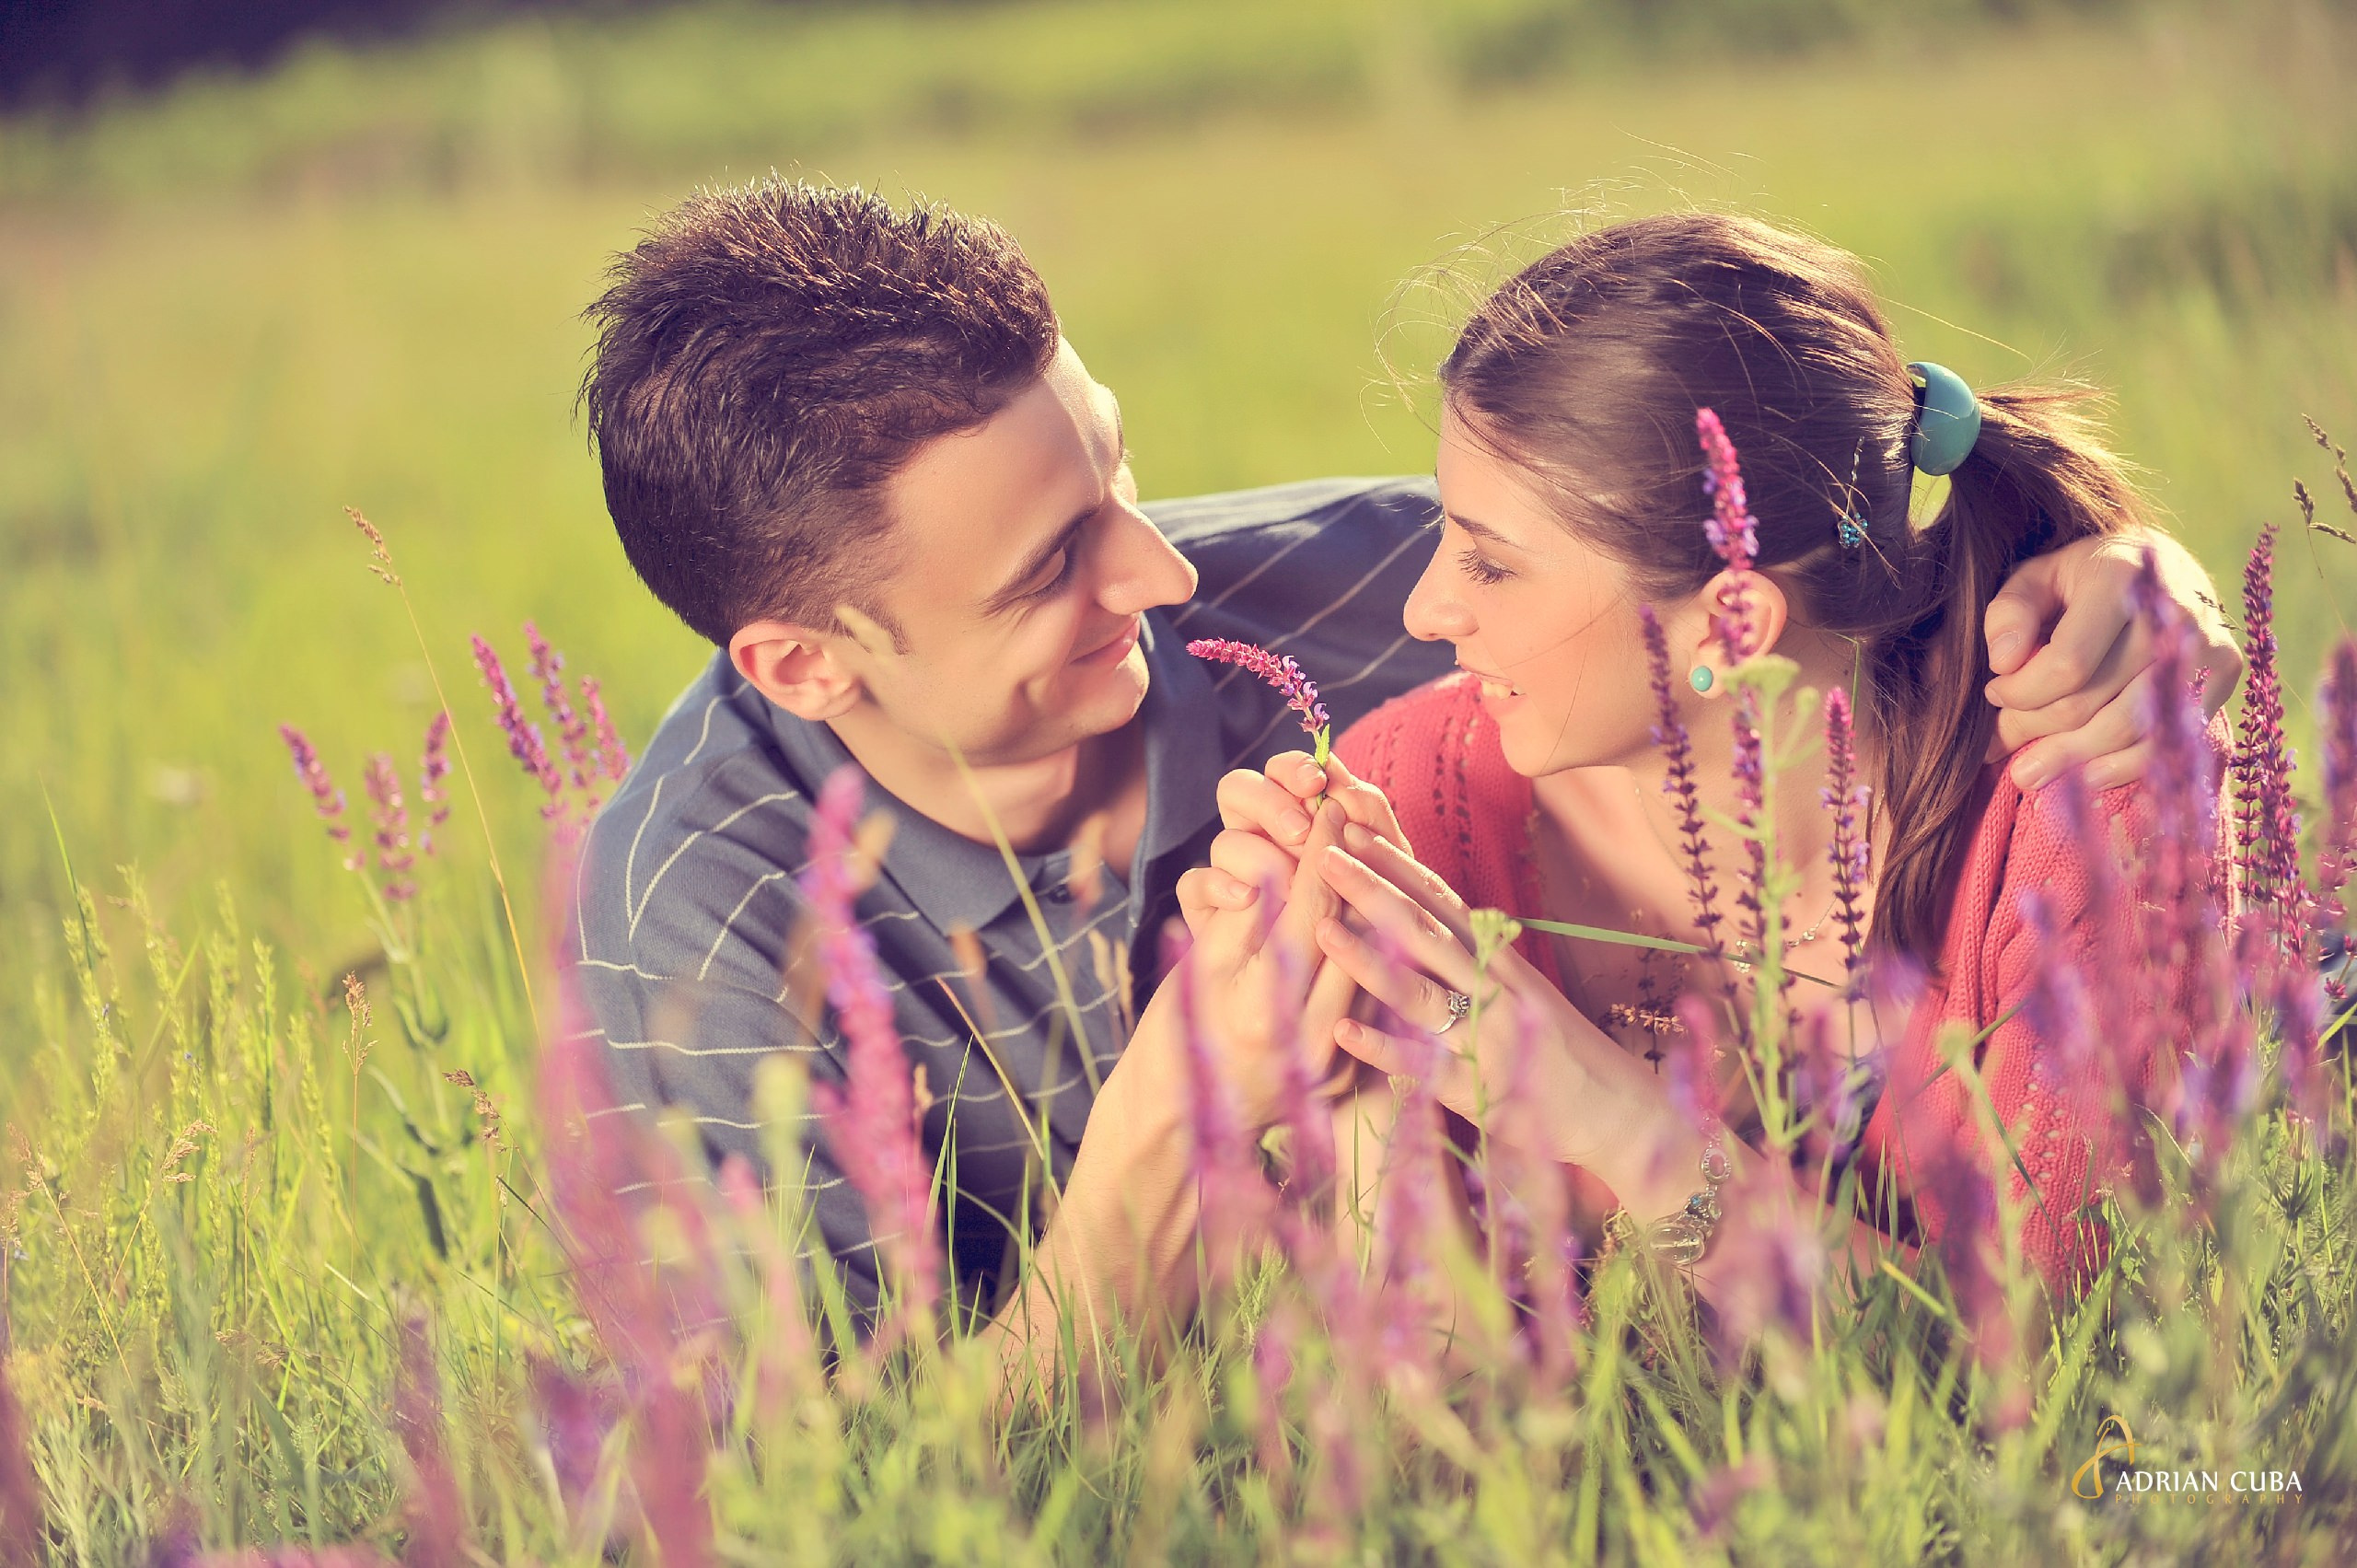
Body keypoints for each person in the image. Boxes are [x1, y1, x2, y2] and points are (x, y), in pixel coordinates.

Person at [571, 180, 2236, 1357]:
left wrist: (2129, 576)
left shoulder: (1371, 585)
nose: (1166, 577)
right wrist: (1158, 1161)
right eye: (1047, 568)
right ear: (804, 663)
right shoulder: (699, 934)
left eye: (1119, 475)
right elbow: (837, 1501)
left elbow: (1771, 513)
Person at [1200, 212, 2225, 1314]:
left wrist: (1618, 1127)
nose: (1422, 608)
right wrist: (1303, 1065)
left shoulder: (2078, 803)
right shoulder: (1411, 803)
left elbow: (2057, 1346)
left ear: (1731, 625)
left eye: (1491, 566)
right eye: (1447, 536)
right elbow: (1403, 1386)